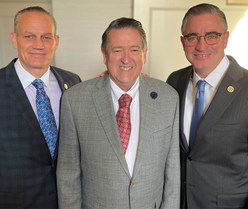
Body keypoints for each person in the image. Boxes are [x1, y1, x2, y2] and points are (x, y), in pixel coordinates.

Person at [166, 3, 248, 209]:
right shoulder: (174, 81)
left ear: (225, 38)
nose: (201, 45)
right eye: (192, 37)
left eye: (212, 36)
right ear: (183, 42)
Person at [0, 6, 81, 208]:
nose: (38, 45)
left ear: (56, 41)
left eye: (46, 37)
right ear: (14, 39)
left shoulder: (73, 82)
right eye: (29, 36)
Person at [56, 17, 180, 208]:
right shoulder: (75, 100)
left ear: (144, 55)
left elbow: (172, 172)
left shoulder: (168, 98)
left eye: (134, 50)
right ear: (104, 55)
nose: (126, 58)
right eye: (117, 50)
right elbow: (68, 174)